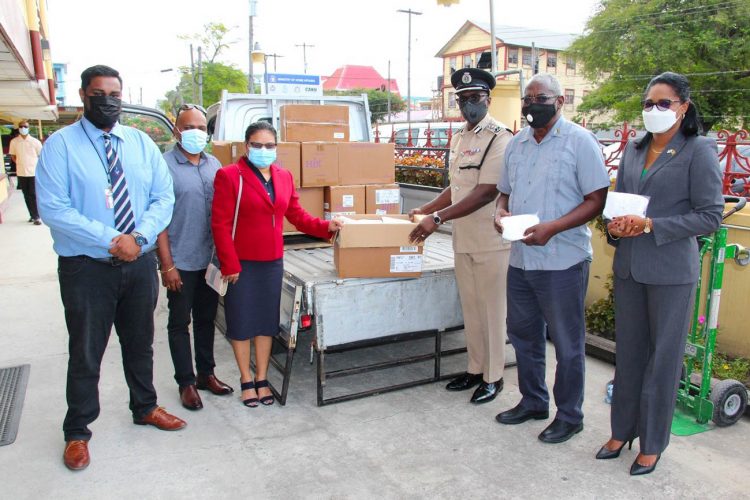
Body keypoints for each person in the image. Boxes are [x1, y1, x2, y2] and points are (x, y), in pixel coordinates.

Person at [36, 65, 183, 472]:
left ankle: (146, 407)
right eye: (99, 93)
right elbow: (53, 208)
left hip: (138, 264)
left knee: (140, 342)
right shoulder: (60, 146)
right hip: (87, 268)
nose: (108, 100)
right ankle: (77, 431)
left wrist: (136, 239)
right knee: (86, 350)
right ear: (84, 95)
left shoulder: (139, 144)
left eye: (115, 93)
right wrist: (110, 238)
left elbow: (163, 198)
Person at [597, 72, 723, 475]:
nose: (654, 110)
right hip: (631, 265)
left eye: (663, 103)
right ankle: (622, 430)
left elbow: (710, 216)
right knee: (629, 354)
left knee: (662, 360)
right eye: (648, 103)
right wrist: (616, 225)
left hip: (671, 271)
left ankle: (652, 443)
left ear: (683, 107)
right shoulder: (634, 148)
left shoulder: (698, 149)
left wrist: (651, 225)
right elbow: (622, 200)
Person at [494, 73, 609, 444]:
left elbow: (596, 200)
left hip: (562, 261)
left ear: (560, 102)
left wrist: (553, 228)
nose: (531, 106)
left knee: (567, 343)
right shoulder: (517, 144)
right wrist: (499, 215)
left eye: (540, 99)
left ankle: (570, 415)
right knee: (523, 334)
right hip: (521, 259)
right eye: (527, 100)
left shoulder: (579, 142)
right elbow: (503, 195)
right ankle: (533, 401)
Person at [211, 122, 342, 408]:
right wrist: (229, 262)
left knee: (266, 323)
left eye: (270, 145)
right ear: (247, 146)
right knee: (242, 322)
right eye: (257, 145)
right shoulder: (230, 176)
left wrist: (325, 226)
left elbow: (296, 214)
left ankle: (262, 378)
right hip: (241, 263)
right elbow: (219, 224)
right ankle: (246, 379)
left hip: (271, 261)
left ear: (276, 148)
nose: (264, 150)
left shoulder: (283, 176)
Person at [409, 67, 513, 405]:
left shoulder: (500, 137)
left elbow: (486, 192)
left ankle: (494, 377)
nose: (469, 105)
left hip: (491, 240)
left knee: (492, 312)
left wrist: (436, 218)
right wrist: (425, 209)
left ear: (488, 99)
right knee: (471, 309)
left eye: (476, 98)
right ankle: (475, 368)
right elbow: (456, 189)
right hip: (463, 239)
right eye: (463, 99)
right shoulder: (460, 138)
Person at [156, 104, 233, 411]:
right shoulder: (164, 165)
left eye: (201, 128)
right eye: (189, 127)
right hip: (180, 261)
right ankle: (185, 382)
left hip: (210, 260)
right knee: (179, 322)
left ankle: (206, 374)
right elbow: (158, 218)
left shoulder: (214, 164)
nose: (196, 133)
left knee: (206, 319)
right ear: (176, 131)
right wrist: (167, 264)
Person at [9, 119, 43, 224]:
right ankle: (32, 215)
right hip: (21, 172)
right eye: (21, 126)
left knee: (33, 194)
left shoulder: (35, 142)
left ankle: (37, 216)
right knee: (26, 195)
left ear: (28, 128)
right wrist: (20, 163)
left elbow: (40, 156)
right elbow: (13, 157)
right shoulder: (14, 142)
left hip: (33, 172)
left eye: (25, 126)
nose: (23, 128)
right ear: (18, 128)